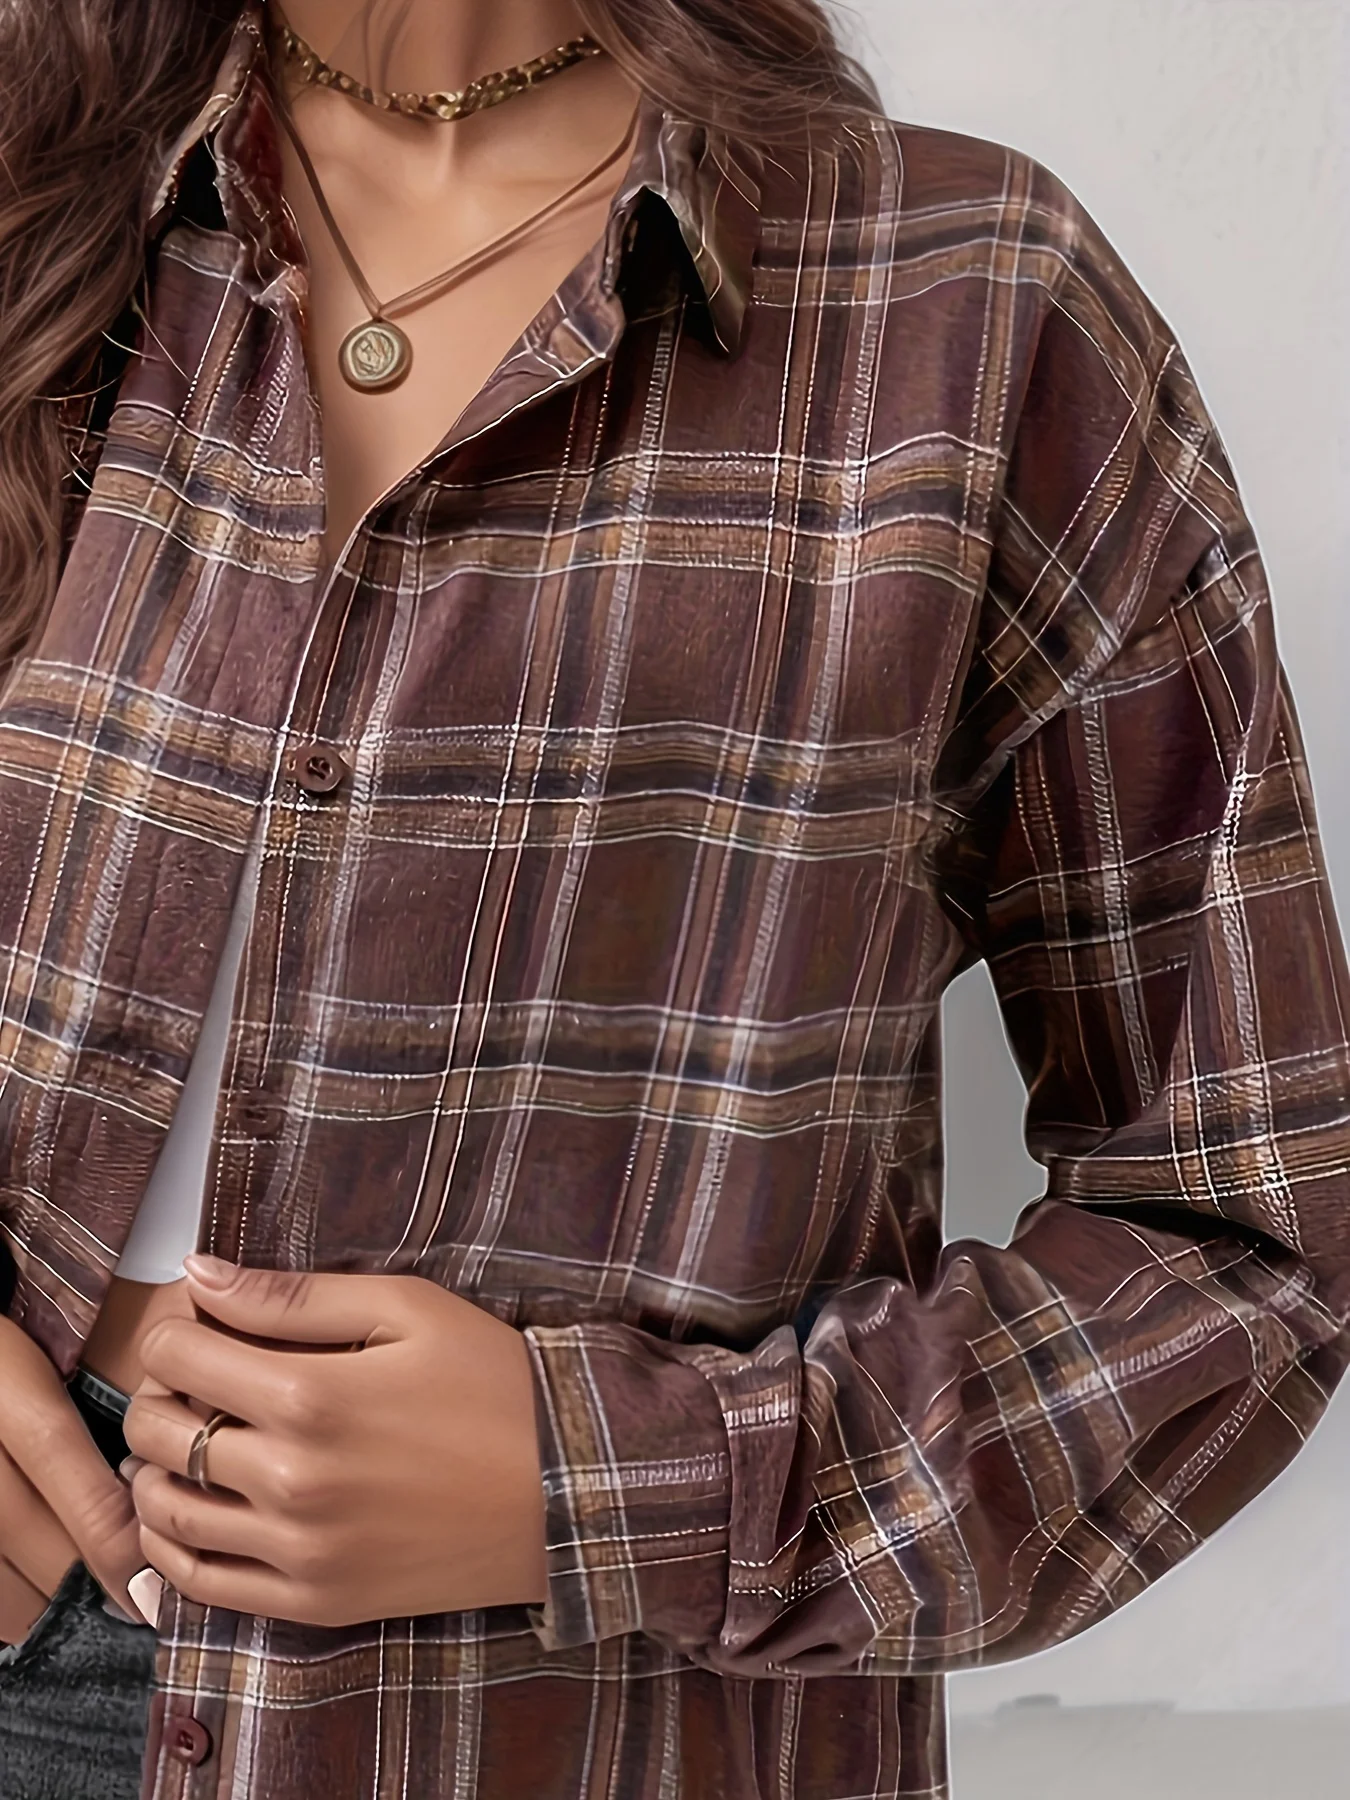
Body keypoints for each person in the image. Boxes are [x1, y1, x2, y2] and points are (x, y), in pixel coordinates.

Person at [0, 0, 1347, 1796]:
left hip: (585, 1722)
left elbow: (1250, 1234)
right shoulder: (43, 200)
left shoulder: (965, 307)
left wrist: (624, 1483)